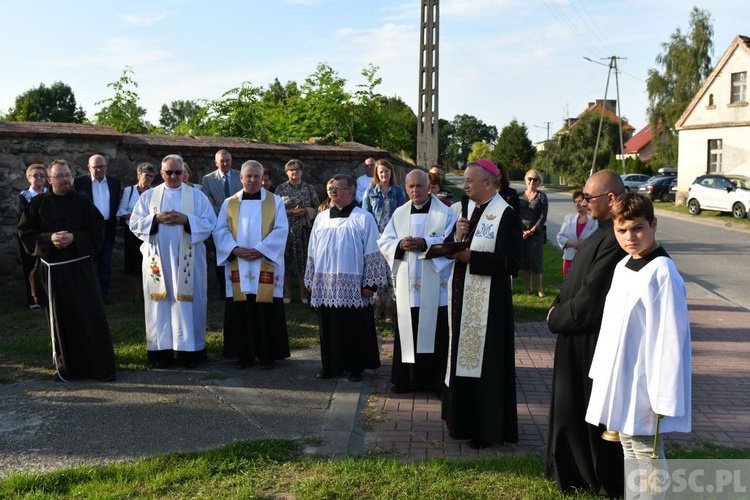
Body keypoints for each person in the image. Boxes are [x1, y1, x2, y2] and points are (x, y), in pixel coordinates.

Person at [585, 193, 691, 494]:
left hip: (647, 384)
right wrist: (603, 374)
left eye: (637, 228)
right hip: (623, 378)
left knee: (647, 456)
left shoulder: (663, 274)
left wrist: (663, 397)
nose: (629, 237)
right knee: (629, 448)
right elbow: (612, 326)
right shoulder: (625, 265)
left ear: (653, 224)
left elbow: (671, 339)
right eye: (622, 230)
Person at [545, 169, 627, 498]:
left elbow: (592, 296)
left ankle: (586, 475)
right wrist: (557, 304)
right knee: (570, 405)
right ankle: (570, 470)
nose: (584, 202)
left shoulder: (616, 238)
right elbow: (575, 277)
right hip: (573, 332)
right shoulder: (600, 230)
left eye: (589, 198)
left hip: (589, 338)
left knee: (583, 410)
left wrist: (557, 318)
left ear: (610, 199)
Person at [441, 159, 523, 449]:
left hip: (490, 306)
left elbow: (512, 262)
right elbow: (462, 246)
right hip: (465, 299)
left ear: (488, 184)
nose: (464, 186)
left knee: (486, 365)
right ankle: (462, 421)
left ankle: (487, 429)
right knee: (463, 358)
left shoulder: (506, 214)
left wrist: (471, 258)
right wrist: (457, 237)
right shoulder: (472, 211)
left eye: (468, 181)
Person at [18, 159, 116, 381]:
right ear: (50, 180)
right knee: (60, 320)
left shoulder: (83, 202)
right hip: (53, 273)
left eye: (68, 175)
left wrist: (75, 238)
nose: (64, 180)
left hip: (80, 270)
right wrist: (48, 239)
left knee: (89, 316)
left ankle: (99, 368)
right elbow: (25, 233)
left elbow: (97, 231)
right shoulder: (37, 204)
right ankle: (66, 368)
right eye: (60, 176)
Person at [129, 154, 216, 369]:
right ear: (161, 173)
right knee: (160, 305)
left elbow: (210, 223)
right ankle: (161, 352)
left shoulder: (197, 196)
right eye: (169, 172)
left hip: (188, 263)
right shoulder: (149, 197)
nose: (174, 176)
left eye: (179, 172)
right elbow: (135, 223)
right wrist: (155, 219)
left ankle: (189, 352)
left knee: (187, 304)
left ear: (184, 173)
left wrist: (187, 220)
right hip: (157, 263)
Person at [378, 169, 455, 394]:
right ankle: (406, 380)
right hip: (408, 289)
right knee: (408, 331)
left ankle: (434, 381)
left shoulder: (445, 213)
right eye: (410, 186)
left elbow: (450, 243)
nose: (414, 190)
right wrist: (400, 245)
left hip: (434, 286)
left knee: (436, 332)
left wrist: (425, 244)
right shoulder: (399, 213)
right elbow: (385, 241)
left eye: (419, 186)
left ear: (429, 187)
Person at [305, 174, 387, 382]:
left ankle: (354, 367)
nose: (332, 190)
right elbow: (312, 250)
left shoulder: (363, 218)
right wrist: (311, 278)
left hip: (354, 284)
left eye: (338, 188)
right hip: (326, 283)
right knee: (328, 326)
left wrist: (370, 283)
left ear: (350, 192)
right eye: (330, 187)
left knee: (354, 327)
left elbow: (372, 252)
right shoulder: (321, 218)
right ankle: (331, 366)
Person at [213, 160, 291, 369]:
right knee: (241, 308)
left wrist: (262, 250)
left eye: (257, 176)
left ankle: (268, 355)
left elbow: (281, 229)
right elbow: (219, 230)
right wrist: (234, 249)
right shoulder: (229, 203)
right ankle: (243, 355)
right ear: (241, 178)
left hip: (263, 263)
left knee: (265, 308)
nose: (253, 180)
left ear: (262, 178)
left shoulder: (275, 202)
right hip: (239, 263)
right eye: (248, 176)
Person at [361, 158, 407, 320]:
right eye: (381, 172)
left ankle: (389, 305)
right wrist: (375, 233)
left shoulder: (398, 191)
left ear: (391, 172)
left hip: (394, 237)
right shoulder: (370, 192)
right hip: (376, 237)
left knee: (391, 272)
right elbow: (366, 216)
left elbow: (403, 215)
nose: (384, 174)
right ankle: (378, 303)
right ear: (376, 173)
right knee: (377, 271)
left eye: (386, 171)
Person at [74, 154, 121, 304]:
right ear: (89, 168)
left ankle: (104, 295)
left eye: (102, 166)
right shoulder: (79, 183)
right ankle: (88, 296)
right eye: (96, 167)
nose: (99, 170)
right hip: (88, 229)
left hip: (107, 228)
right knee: (87, 263)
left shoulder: (114, 183)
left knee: (105, 263)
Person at [274, 159, 319, 304]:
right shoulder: (280, 189)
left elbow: (317, 208)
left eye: (297, 169)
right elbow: (274, 210)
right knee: (286, 262)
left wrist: (305, 211)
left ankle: (304, 294)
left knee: (303, 262)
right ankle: (287, 293)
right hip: (286, 230)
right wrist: (290, 211)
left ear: (302, 171)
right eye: (291, 169)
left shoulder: (309, 188)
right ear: (287, 172)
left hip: (304, 230)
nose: (294, 172)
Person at [202, 150, 243, 296]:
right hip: (218, 223)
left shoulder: (241, 176)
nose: (225, 163)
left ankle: (239, 284)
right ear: (216, 162)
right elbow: (207, 202)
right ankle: (223, 289)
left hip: (240, 222)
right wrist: (223, 212)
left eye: (227, 160)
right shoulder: (207, 179)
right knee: (222, 254)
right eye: (222, 161)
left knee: (238, 252)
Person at [116, 162, 156, 300]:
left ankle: (151, 292)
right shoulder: (130, 191)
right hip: (133, 232)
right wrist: (137, 218)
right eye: (146, 176)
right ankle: (138, 295)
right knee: (136, 264)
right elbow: (122, 210)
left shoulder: (154, 192)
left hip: (149, 232)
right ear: (138, 175)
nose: (149, 179)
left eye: (151, 176)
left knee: (151, 262)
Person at [16, 164, 47, 310]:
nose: (39, 178)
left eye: (42, 175)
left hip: (48, 237)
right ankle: (33, 299)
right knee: (31, 268)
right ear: (29, 178)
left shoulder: (50, 193)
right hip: (31, 239)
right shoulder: (24, 196)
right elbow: (24, 218)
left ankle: (48, 296)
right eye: (35, 175)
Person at [518, 168, 548, 297]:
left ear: (539, 181)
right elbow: (515, 214)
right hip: (521, 233)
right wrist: (521, 230)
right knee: (524, 262)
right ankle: (528, 288)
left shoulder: (542, 197)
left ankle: (540, 289)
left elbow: (543, 217)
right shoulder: (519, 196)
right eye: (530, 179)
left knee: (536, 262)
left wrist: (531, 231)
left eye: (535, 179)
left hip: (536, 234)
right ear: (526, 180)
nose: (532, 181)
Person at [556, 190, 598, 278]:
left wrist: (583, 244)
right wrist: (574, 244)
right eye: (575, 201)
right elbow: (560, 237)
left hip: (585, 260)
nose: (577, 204)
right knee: (567, 285)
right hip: (569, 258)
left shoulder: (594, 221)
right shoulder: (569, 218)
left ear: (585, 201)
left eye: (579, 201)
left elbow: (595, 240)